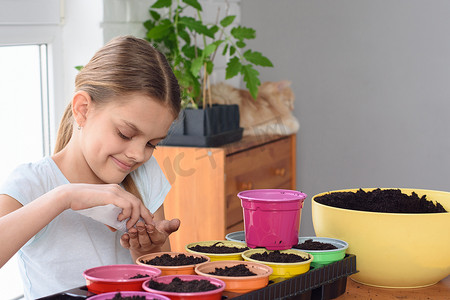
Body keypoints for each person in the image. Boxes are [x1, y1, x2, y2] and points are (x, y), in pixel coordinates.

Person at [0, 35, 181, 299]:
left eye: (152, 143)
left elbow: (164, 283)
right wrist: (67, 196)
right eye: (125, 133)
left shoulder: (146, 175)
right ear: (83, 109)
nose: (138, 154)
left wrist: (146, 254)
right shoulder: (32, 183)